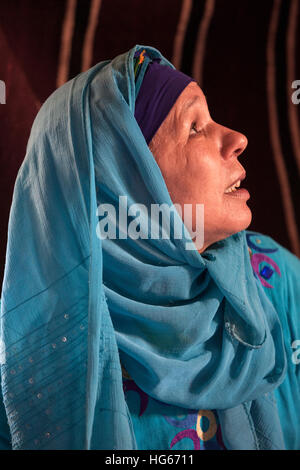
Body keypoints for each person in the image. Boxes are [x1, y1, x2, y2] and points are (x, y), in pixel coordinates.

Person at [0, 44, 299, 451]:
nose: (237, 139)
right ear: (125, 182)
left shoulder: (280, 283)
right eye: (194, 127)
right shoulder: (40, 366)